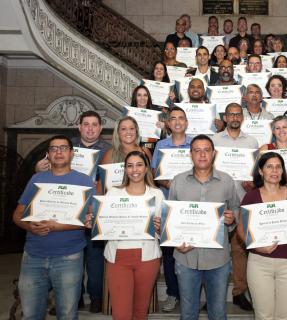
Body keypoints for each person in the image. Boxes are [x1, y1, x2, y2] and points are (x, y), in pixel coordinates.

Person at [35, 111, 110, 313]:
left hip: (94, 207)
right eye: (86, 124)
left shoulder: (109, 150)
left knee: (95, 257)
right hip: (67, 208)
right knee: (73, 256)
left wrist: (103, 184)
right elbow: (47, 172)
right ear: (79, 126)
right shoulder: (65, 146)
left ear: (100, 128)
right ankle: (74, 297)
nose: (90, 128)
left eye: (95, 125)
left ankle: (96, 297)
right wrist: (38, 167)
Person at [13, 135, 94, 318]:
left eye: (63, 148)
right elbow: (17, 215)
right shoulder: (36, 179)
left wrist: (59, 226)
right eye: (53, 149)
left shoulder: (85, 182)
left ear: (72, 153)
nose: (58, 152)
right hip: (33, 256)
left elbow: (90, 220)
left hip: (69, 257)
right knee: (31, 314)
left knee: (66, 314)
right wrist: (30, 227)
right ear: (48, 154)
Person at [169, 134, 239, 319]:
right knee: (188, 313)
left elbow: (236, 208)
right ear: (190, 154)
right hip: (186, 258)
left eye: (206, 150)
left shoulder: (226, 181)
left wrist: (233, 219)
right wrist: (174, 241)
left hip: (218, 259)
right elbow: (170, 218)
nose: (202, 155)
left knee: (217, 313)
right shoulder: (178, 181)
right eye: (197, 151)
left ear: (214, 153)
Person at [237, 152, 287, 319]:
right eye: (269, 166)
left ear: (283, 171)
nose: (274, 171)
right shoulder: (251, 196)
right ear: (261, 171)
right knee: (263, 315)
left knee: (285, 316)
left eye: (278, 167)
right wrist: (257, 247)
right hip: (259, 263)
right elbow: (241, 229)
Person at [99, 151, 163, 319]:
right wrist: (95, 223)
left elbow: (165, 231)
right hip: (118, 258)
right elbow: (103, 224)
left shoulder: (157, 194)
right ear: (125, 170)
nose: (135, 169)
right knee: (121, 314)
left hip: (148, 258)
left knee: (140, 313)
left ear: (146, 168)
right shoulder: (113, 193)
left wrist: (160, 228)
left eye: (139, 164)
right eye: (130, 165)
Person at [212, 103, 258, 311]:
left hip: (242, 202)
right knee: (216, 249)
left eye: (238, 114)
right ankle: (213, 295)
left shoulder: (252, 141)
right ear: (225, 117)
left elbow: (257, 174)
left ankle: (239, 292)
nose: (234, 117)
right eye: (230, 114)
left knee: (240, 250)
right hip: (217, 203)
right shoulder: (214, 140)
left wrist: (252, 182)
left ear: (243, 117)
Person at [150, 106, 191, 312]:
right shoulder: (161, 145)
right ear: (168, 123)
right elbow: (156, 172)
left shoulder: (195, 143)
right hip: (167, 203)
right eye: (173, 118)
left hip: (191, 205)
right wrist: (168, 183)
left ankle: (189, 295)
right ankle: (173, 293)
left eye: (181, 118)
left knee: (191, 249)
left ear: (186, 122)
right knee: (168, 253)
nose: (177, 122)